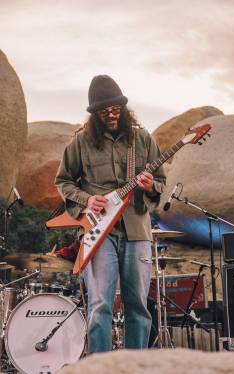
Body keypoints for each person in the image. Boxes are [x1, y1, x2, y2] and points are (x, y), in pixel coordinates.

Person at [55, 75, 166, 353]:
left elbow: (161, 182)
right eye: (105, 112)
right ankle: (101, 367)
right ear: (95, 115)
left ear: (123, 108)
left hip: (136, 230)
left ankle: (134, 367)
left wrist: (152, 186)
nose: (112, 115)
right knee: (100, 305)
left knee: (138, 306)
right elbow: (63, 181)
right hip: (99, 233)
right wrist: (87, 199)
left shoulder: (142, 140)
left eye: (116, 109)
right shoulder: (81, 142)